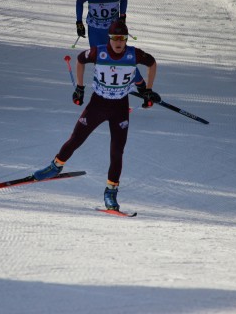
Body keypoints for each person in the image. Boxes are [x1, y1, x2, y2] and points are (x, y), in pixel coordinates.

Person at [33, 20, 161, 211]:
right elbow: (80, 59)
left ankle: (111, 192)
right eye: (115, 38)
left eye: (122, 38)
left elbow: (152, 63)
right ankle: (55, 166)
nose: (119, 42)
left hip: (119, 108)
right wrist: (80, 88)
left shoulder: (134, 54)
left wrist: (148, 90)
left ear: (126, 39)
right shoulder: (99, 52)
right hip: (97, 104)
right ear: (109, 38)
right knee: (76, 138)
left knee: (117, 151)